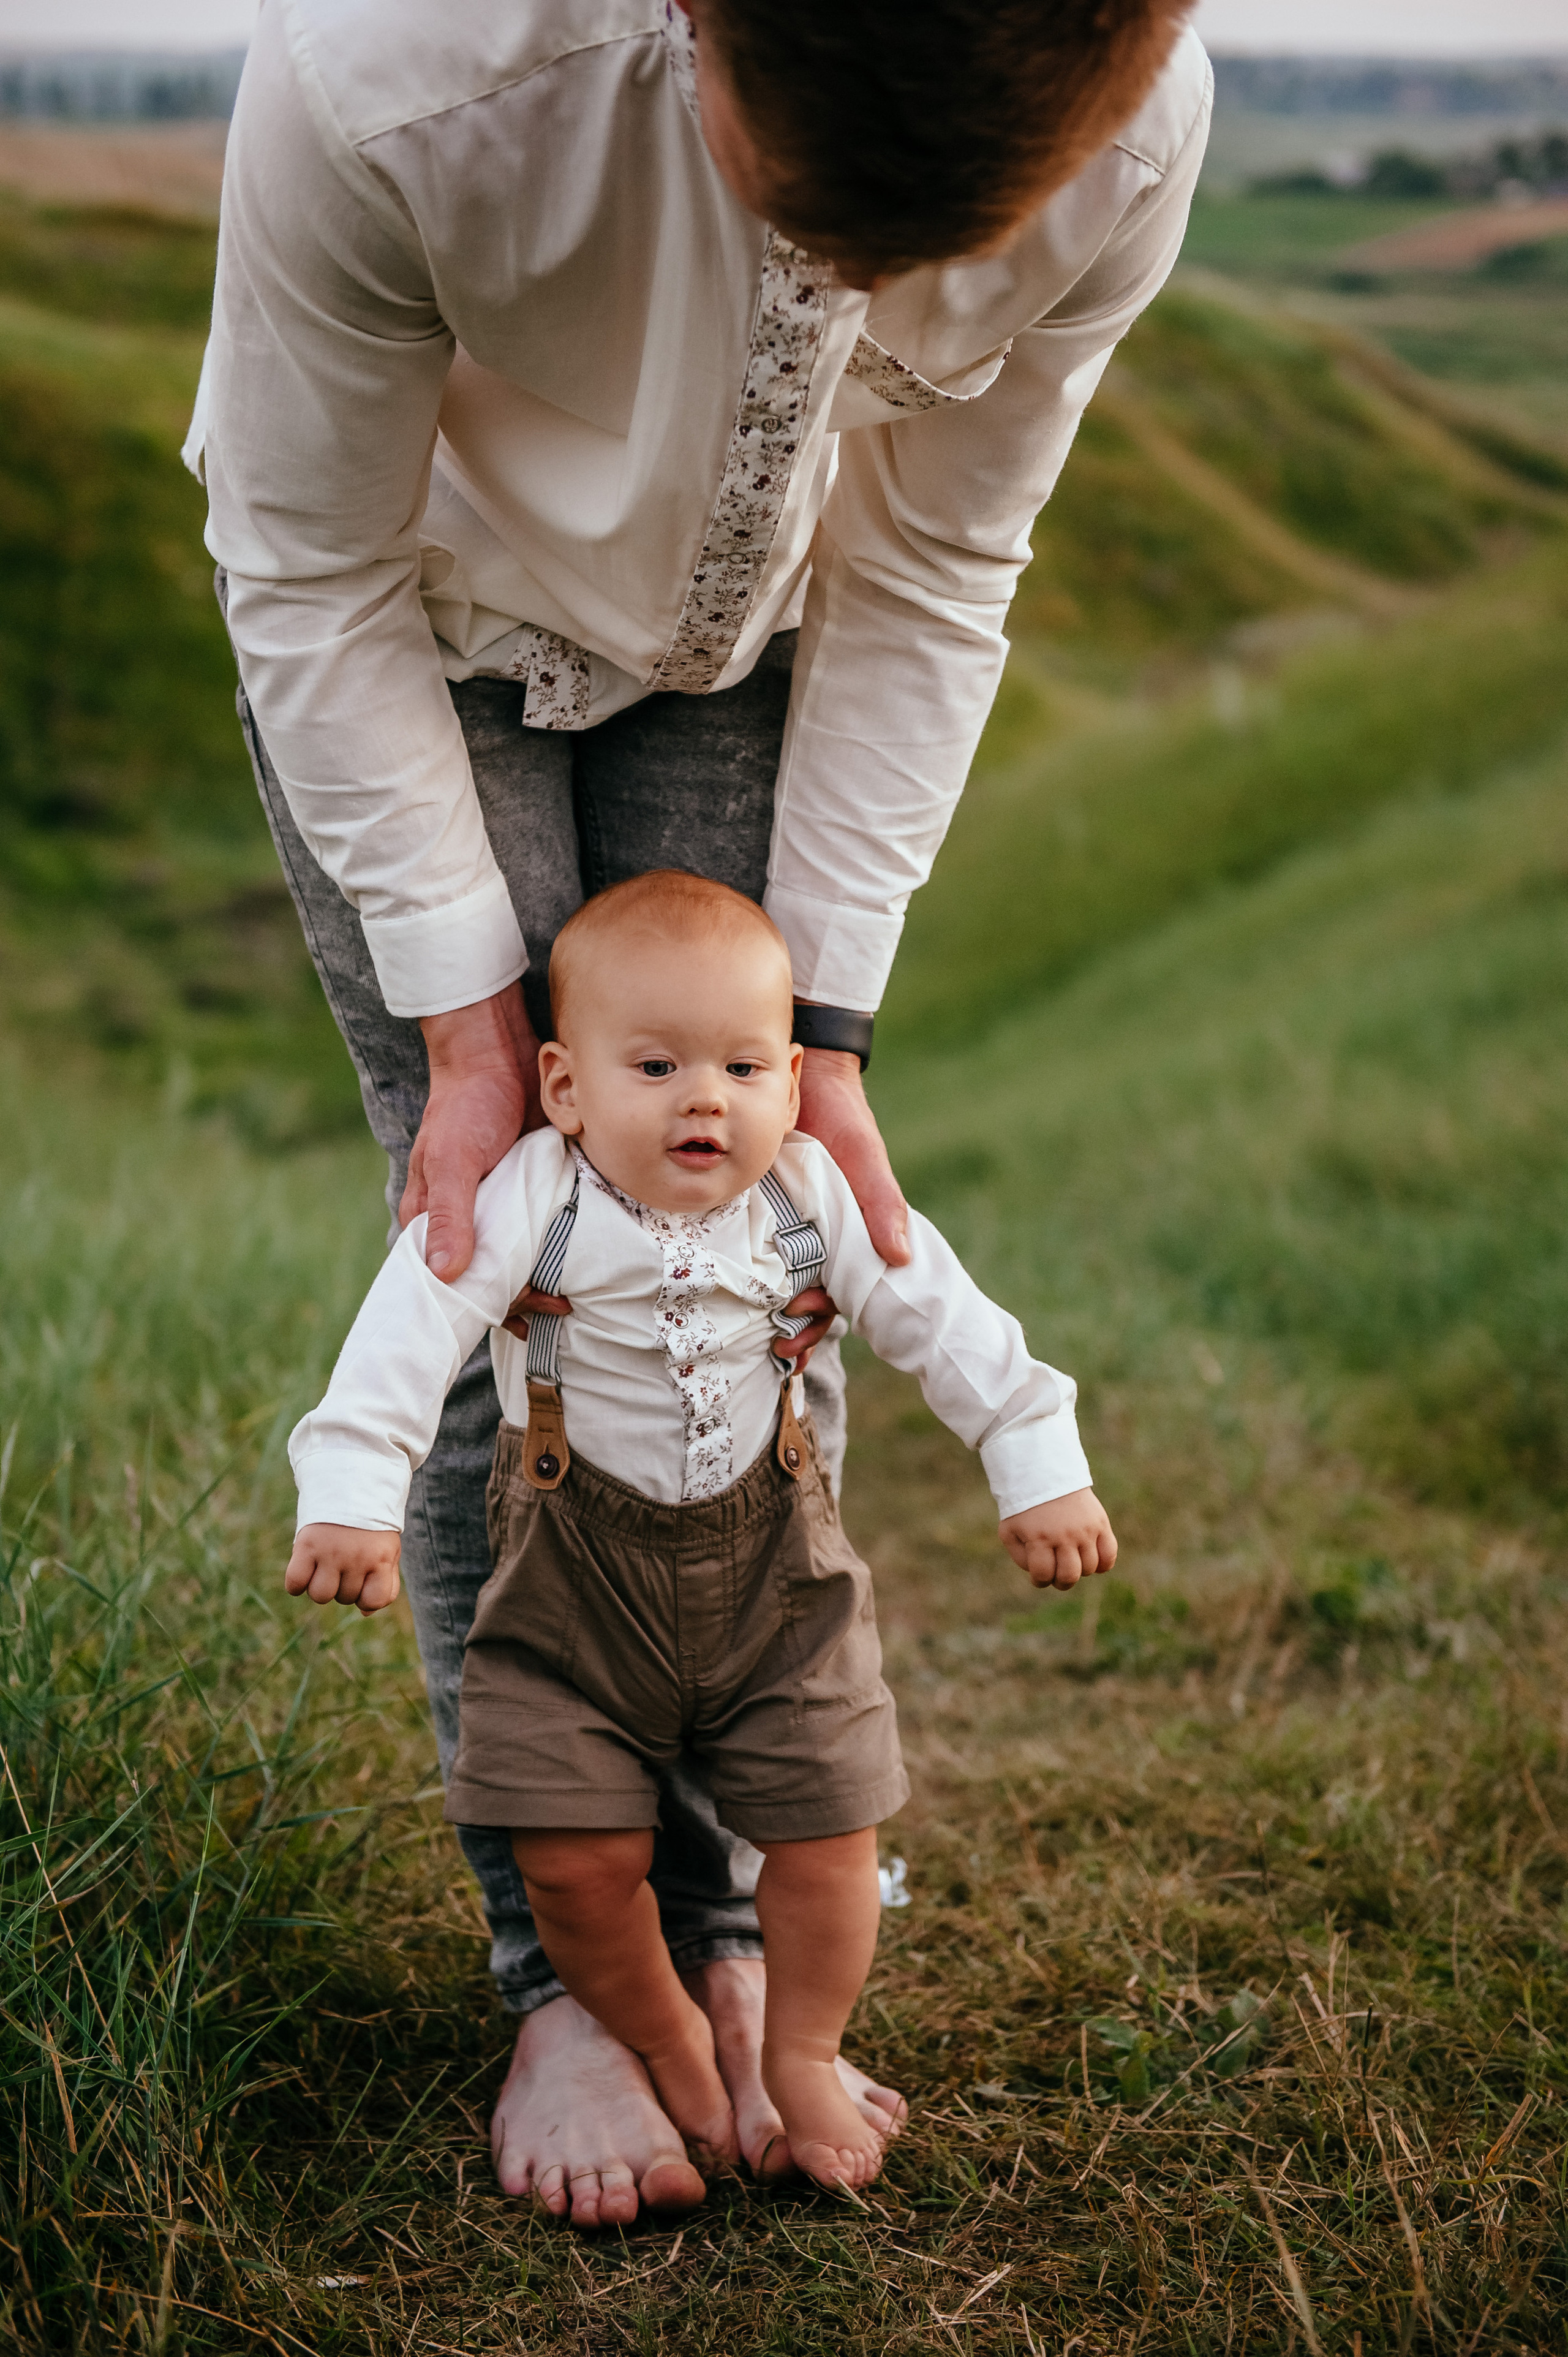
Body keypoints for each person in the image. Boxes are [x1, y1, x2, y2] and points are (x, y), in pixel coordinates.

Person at [190, 0, 1210, 2223]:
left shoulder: (1132, 123)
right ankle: (558, 1967)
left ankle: (728, 1931)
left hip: (748, 646)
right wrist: (476, 1037)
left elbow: (939, 562)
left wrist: (821, 1036)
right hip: (409, 618)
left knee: (754, 1222)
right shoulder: (399, 70)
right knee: (508, 1238)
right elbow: (304, 559)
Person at [284, 872, 1117, 2188]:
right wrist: (350, 1491)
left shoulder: (805, 1196)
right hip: (571, 1597)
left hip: (775, 1588)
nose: (704, 1098)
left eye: (741, 1064)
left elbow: (937, 1312)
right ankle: (665, 2035)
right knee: (571, 1859)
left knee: (829, 1831)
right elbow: (410, 1331)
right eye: (657, 1064)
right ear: (562, 1086)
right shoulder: (529, 1196)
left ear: (793, 1076)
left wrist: (1033, 1458)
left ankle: (795, 2044)